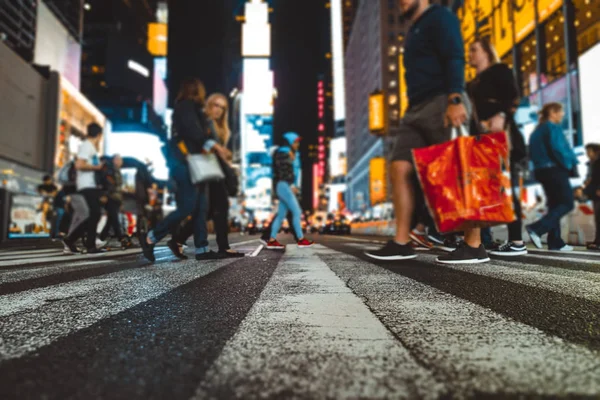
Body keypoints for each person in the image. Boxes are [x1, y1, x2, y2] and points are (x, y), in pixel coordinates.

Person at [365, 0, 489, 264]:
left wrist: (455, 97)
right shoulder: (413, 29)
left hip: (442, 100)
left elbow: (454, 55)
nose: (400, 2)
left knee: (458, 169)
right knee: (399, 167)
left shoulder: (440, 17)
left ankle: (474, 244)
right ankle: (401, 242)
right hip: (415, 109)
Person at [140, 78, 230, 262]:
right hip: (186, 163)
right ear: (198, 91)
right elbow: (193, 132)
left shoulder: (191, 109)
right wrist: (216, 146)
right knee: (188, 206)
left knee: (201, 208)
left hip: (196, 164)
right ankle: (151, 237)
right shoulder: (186, 106)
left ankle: (202, 249)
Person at [467, 37, 528, 257]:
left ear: (486, 52)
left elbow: (512, 98)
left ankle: (516, 241)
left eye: (474, 50)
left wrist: (501, 115)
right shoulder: (471, 83)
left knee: (506, 188)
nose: (470, 54)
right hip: (480, 141)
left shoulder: (500, 71)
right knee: (484, 190)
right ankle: (484, 239)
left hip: (502, 137)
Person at [170, 93, 244, 259]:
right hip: (207, 169)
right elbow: (202, 145)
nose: (218, 110)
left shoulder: (222, 129)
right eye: (216, 105)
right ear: (209, 104)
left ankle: (178, 239)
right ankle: (223, 247)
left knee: (209, 211)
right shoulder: (204, 122)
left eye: (223, 108)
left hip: (215, 170)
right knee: (221, 206)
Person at [526, 102, 577, 252]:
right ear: (553, 113)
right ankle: (536, 228)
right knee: (567, 203)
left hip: (542, 171)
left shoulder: (537, 131)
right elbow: (558, 149)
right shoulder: (552, 127)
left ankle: (556, 242)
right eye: (561, 112)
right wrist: (568, 165)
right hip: (554, 169)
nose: (562, 115)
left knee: (555, 205)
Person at [62, 123, 106, 254]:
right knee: (94, 214)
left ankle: (79, 242)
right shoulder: (87, 146)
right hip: (86, 185)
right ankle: (80, 242)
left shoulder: (90, 146)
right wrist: (97, 167)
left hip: (89, 185)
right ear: (99, 135)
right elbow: (79, 164)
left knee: (92, 215)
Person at [265, 132, 314, 249]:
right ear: (290, 142)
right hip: (284, 185)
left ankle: (271, 240)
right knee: (297, 211)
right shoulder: (284, 152)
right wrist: (292, 185)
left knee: (281, 215)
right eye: (295, 142)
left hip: (284, 185)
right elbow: (284, 171)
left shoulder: (289, 153)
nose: (297, 144)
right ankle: (301, 239)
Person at [98, 154, 131, 249]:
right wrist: (106, 194)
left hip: (115, 197)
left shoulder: (116, 170)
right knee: (114, 219)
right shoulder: (111, 170)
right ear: (114, 160)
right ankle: (121, 238)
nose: (121, 161)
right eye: (119, 159)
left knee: (111, 220)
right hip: (111, 197)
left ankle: (101, 238)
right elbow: (109, 184)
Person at [576, 143, 600, 250]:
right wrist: (583, 187)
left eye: (589, 151)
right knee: (597, 218)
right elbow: (590, 178)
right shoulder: (590, 164)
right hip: (595, 193)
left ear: (596, 152)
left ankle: (598, 242)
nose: (587, 154)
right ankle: (597, 241)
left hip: (598, 191)